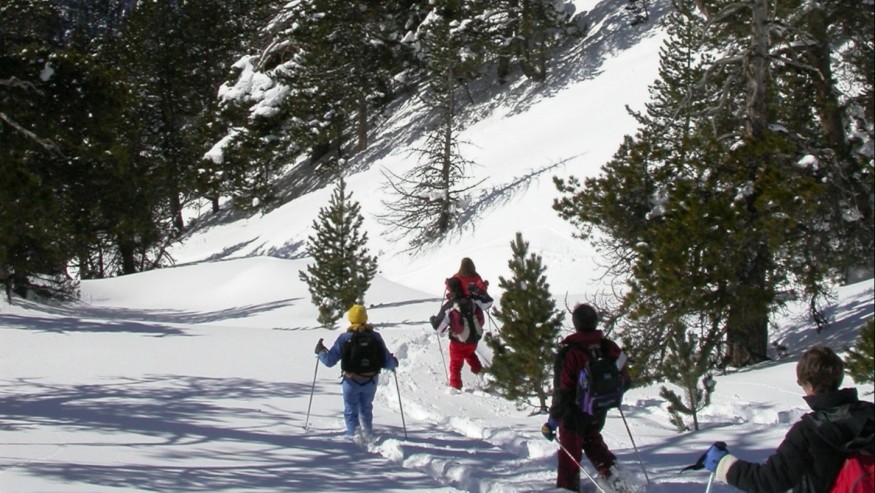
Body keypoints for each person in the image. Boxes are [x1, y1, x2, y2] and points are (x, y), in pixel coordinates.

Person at [700, 344, 875, 493]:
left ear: (808, 384)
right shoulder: (869, 413)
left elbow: (767, 481)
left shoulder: (809, 432)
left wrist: (722, 463)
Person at [541, 303, 629, 491]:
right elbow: (626, 379)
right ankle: (618, 480)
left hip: (574, 413)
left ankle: (567, 489)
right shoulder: (608, 346)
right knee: (591, 440)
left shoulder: (570, 352)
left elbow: (562, 392)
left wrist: (553, 422)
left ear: (575, 323)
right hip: (600, 408)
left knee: (570, 454)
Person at [315, 304, 398, 440]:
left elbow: (330, 361)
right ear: (365, 318)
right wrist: (394, 361)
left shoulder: (344, 338)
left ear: (350, 319)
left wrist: (320, 352)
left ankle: (354, 437)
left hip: (351, 380)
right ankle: (367, 433)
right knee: (366, 408)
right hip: (371, 380)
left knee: (350, 411)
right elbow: (388, 363)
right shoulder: (375, 337)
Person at [430, 276, 493, 391]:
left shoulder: (449, 306)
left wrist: (433, 320)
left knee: (455, 365)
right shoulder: (472, 300)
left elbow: (439, 328)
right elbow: (488, 303)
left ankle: (455, 388)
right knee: (470, 354)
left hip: (458, 342)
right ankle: (483, 375)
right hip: (473, 340)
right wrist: (478, 291)